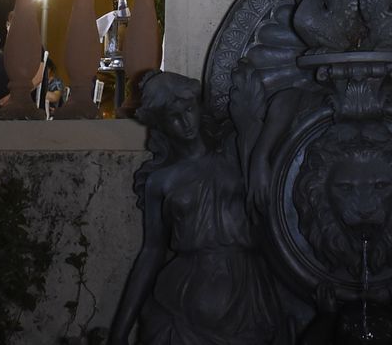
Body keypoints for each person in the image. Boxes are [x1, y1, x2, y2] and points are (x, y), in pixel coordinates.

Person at [107, 73, 288, 345]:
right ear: (160, 124)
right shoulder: (161, 181)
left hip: (243, 297)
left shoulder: (236, 153)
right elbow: (151, 253)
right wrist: (119, 332)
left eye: (189, 109)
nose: (185, 122)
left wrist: (261, 156)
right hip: (180, 302)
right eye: (173, 116)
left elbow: (289, 99)